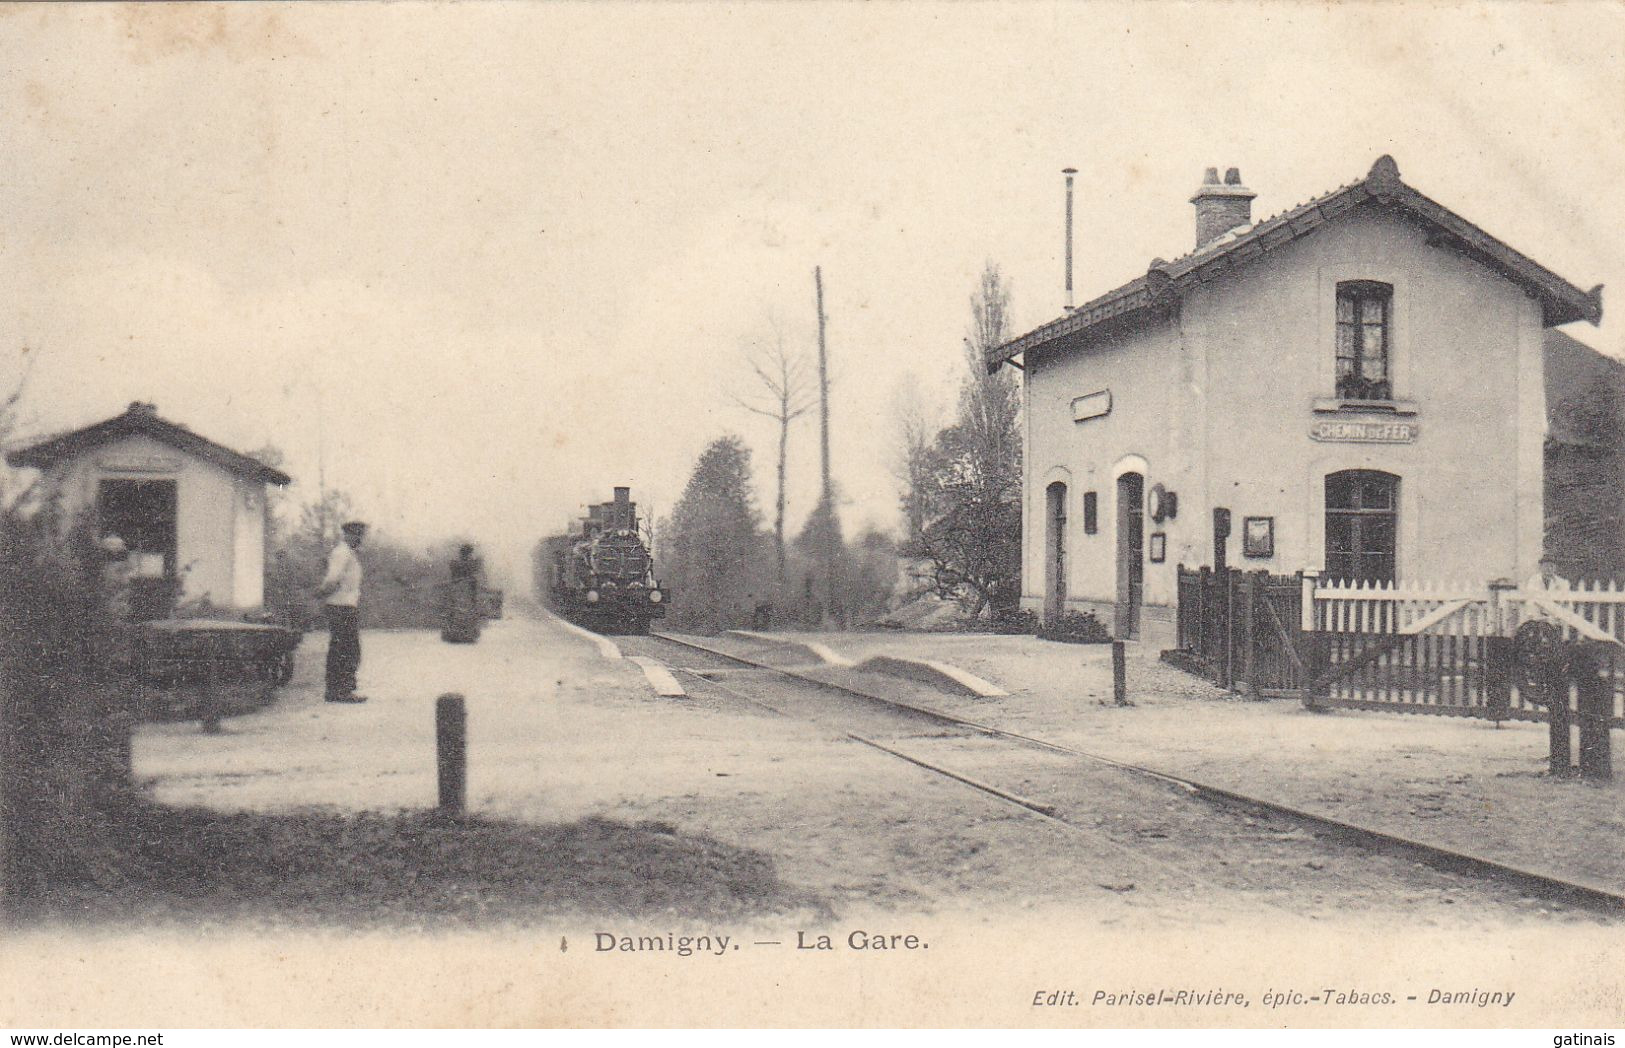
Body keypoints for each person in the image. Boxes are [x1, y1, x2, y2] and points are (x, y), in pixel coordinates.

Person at [317, 520, 367, 703]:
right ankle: (340, 690)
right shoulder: (342, 553)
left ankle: (339, 689)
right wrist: (322, 594)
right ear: (348, 535)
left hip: (346, 605)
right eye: (356, 535)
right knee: (345, 649)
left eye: (360, 536)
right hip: (340, 606)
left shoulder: (349, 553)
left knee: (345, 648)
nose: (359, 539)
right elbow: (332, 579)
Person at [441, 544, 483, 644]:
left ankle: (456, 633)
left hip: (459, 590)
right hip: (465, 590)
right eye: (469, 553)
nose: (469, 555)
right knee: (465, 611)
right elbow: (472, 568)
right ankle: (466, 633)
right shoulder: (466, 564)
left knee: (455, 611)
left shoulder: (456, 564)